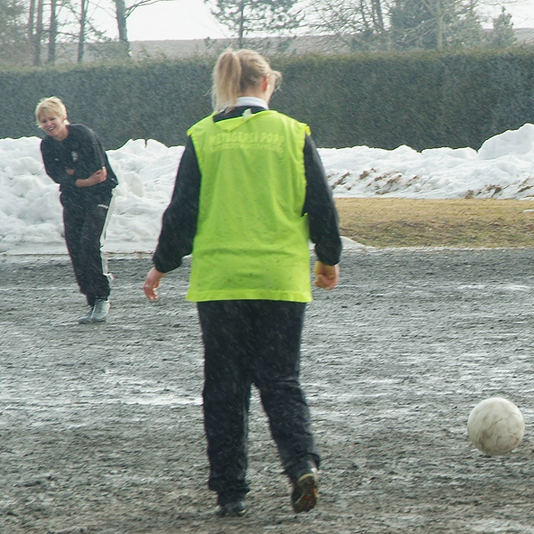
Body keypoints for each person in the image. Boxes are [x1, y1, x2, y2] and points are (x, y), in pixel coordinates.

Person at [142, 48, 342, 517]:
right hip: (279, 279)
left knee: (224, 386)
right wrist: (327, 260)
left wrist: (161, 265)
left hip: (222, 281)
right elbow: (322, 206)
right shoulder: (293, 134)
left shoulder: (203, 137)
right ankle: (300, 464)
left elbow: (182, 212)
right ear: (268, 83)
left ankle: (230, 491)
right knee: (280, 379)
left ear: (228, 86)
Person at [37, 97, 117, 324]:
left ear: (63, 117)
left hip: (100, 195)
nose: (49, 124)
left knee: (89, 243)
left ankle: (102, 295)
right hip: (73, 200)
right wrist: (78, 179)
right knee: (75, 248)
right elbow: (56, 174)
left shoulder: (83, 135)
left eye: (52, 118)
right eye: (44, 121)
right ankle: (91, 299)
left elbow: (98, 173)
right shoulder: (47, 145)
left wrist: (73, 175)